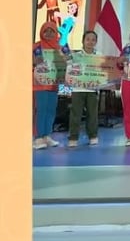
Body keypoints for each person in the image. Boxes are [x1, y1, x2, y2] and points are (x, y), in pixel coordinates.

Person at [68, 30, 100, 148]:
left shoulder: (99, 56)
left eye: (93, 40)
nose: (90, 42)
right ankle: (73, 137)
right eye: (88, 39)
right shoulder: (75, 56)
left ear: (96, 42)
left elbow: (104, 71)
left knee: (93, 115)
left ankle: (93, 136)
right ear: (83, 41)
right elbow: (69, 70)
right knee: (75, 115)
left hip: (92, 90)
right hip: (77, 89)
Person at [33, 22, 62, 150]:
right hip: (40, 84)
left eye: (52, 31)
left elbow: (68, 60)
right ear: (41, 32)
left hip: (54, 85)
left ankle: (47, 135)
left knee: (51, 110)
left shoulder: (60, 47)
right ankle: (38, 137)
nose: (49, 33)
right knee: (41, 110)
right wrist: (35, 61)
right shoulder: (37, 46)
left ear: (56, 33)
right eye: (46, 31)